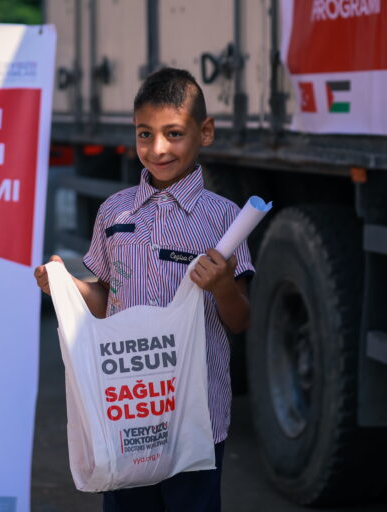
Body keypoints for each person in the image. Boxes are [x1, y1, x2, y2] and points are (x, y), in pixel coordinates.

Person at [34, 67, 254, 512]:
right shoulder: (114, 213)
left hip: (197, 416)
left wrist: (222, 285)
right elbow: (104, 300)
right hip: (128, 414)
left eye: (173, 134)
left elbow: (241, 319)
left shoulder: (225, 218)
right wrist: (66, 285)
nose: (157, 149)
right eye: (144, 134)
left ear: (204, 132)